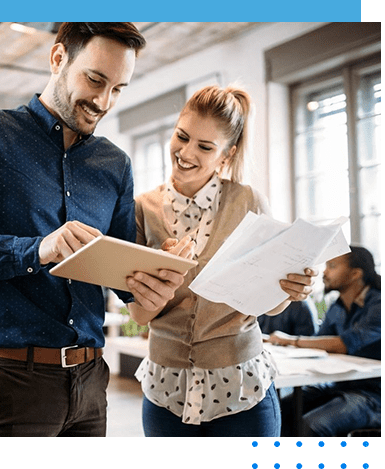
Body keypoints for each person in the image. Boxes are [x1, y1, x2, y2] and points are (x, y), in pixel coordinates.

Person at [0, 23, 184, 437]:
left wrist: (155, 276)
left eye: (118, 88)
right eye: (95, 80)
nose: (103, 101)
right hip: (6, 380)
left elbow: (124, 277)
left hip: (91, 383)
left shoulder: (116, 164)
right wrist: (36, 250)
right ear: (58, 59)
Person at [128, 84, 317, 437]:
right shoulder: (142, 208)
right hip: (167, 391)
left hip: (241, 389)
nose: (185, 153)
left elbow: (270, 306)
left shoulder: (249, 202)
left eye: (204, 147)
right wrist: (163, 275)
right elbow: (138, 315)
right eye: (181, 137)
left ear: (226, 155)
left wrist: (292, 288)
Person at [267, 246, 381, 436]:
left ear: (355, 274)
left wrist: (292, 341)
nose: (324, 272)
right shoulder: (337, 305)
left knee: (312, 424)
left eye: (332, 266)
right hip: (338, 384)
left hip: (374, 393)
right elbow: (320, 345)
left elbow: (344, 344)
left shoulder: (380, 305)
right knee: (281, 410)